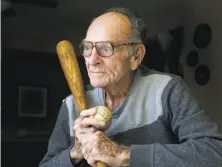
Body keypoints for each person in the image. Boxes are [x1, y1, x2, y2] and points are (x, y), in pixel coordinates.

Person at [39, 7, 222, 167]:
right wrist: (76, 153)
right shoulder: (71, 107)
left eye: (106, 47)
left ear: (136, 56)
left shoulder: (167, 90)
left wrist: (123, 155)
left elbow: (214, 153)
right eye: (87, 47)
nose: (92, 60)